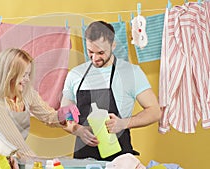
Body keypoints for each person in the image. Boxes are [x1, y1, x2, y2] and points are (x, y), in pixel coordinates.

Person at [61, 21, 161, 161]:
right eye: (90, 52)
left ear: (113, 45)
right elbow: (64, 115)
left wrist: (124, 123)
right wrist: (78, 130)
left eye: (101, 52)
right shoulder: (75, 75)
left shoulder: (131, 72)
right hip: (83, 159)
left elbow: (155, 111)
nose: (95, 58)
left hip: (120, 160)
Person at [0, 48, 78, 163]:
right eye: (23, 75)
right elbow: (13, 138)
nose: (27, 79)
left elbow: (48, 116)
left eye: (28, 74)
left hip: (16, 158)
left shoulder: (28, 94)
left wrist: (62, 115)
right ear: (9, 75)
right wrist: (36, 161)